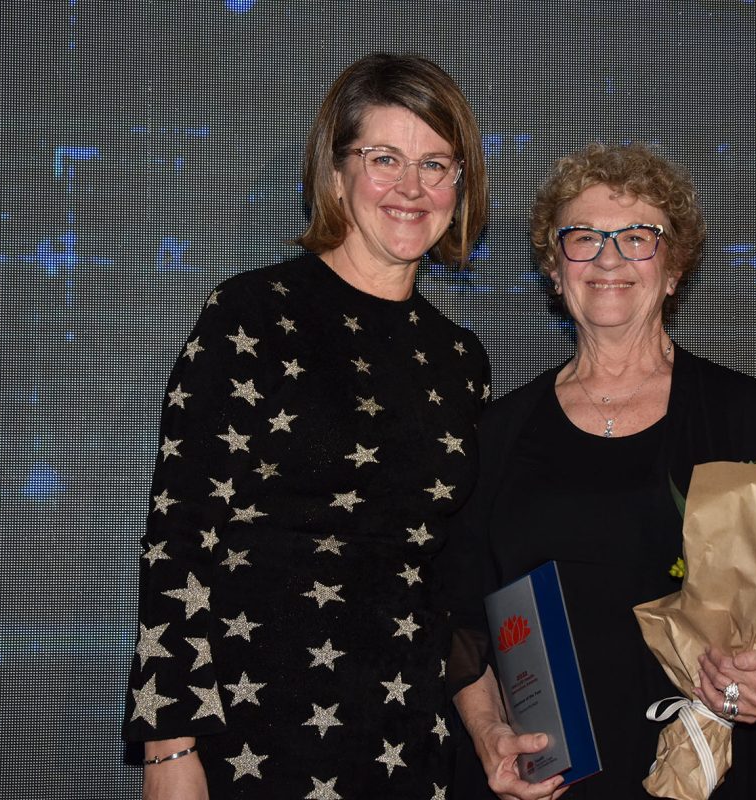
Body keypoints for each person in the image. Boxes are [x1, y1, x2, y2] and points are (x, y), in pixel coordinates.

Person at [123, 52, 489, 799]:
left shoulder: (460, 359)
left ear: (460, 184)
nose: (411, 188)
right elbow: (179, 536)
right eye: (384, 158)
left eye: (436, 164)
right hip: (255, 744)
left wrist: (488, 726)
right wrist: (169, 750)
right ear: (335, 172)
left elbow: (442, 579)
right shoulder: (250, 315)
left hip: (409, 747)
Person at [446, 143, 756, 799]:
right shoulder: (498, 431)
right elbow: (459, 622)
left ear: (675, 268)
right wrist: (490, 736)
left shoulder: (742, 413)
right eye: (583, 238)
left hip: (718, 771)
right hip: (558, 781)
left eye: (636, 237)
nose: (608, 258)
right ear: (553, 268)